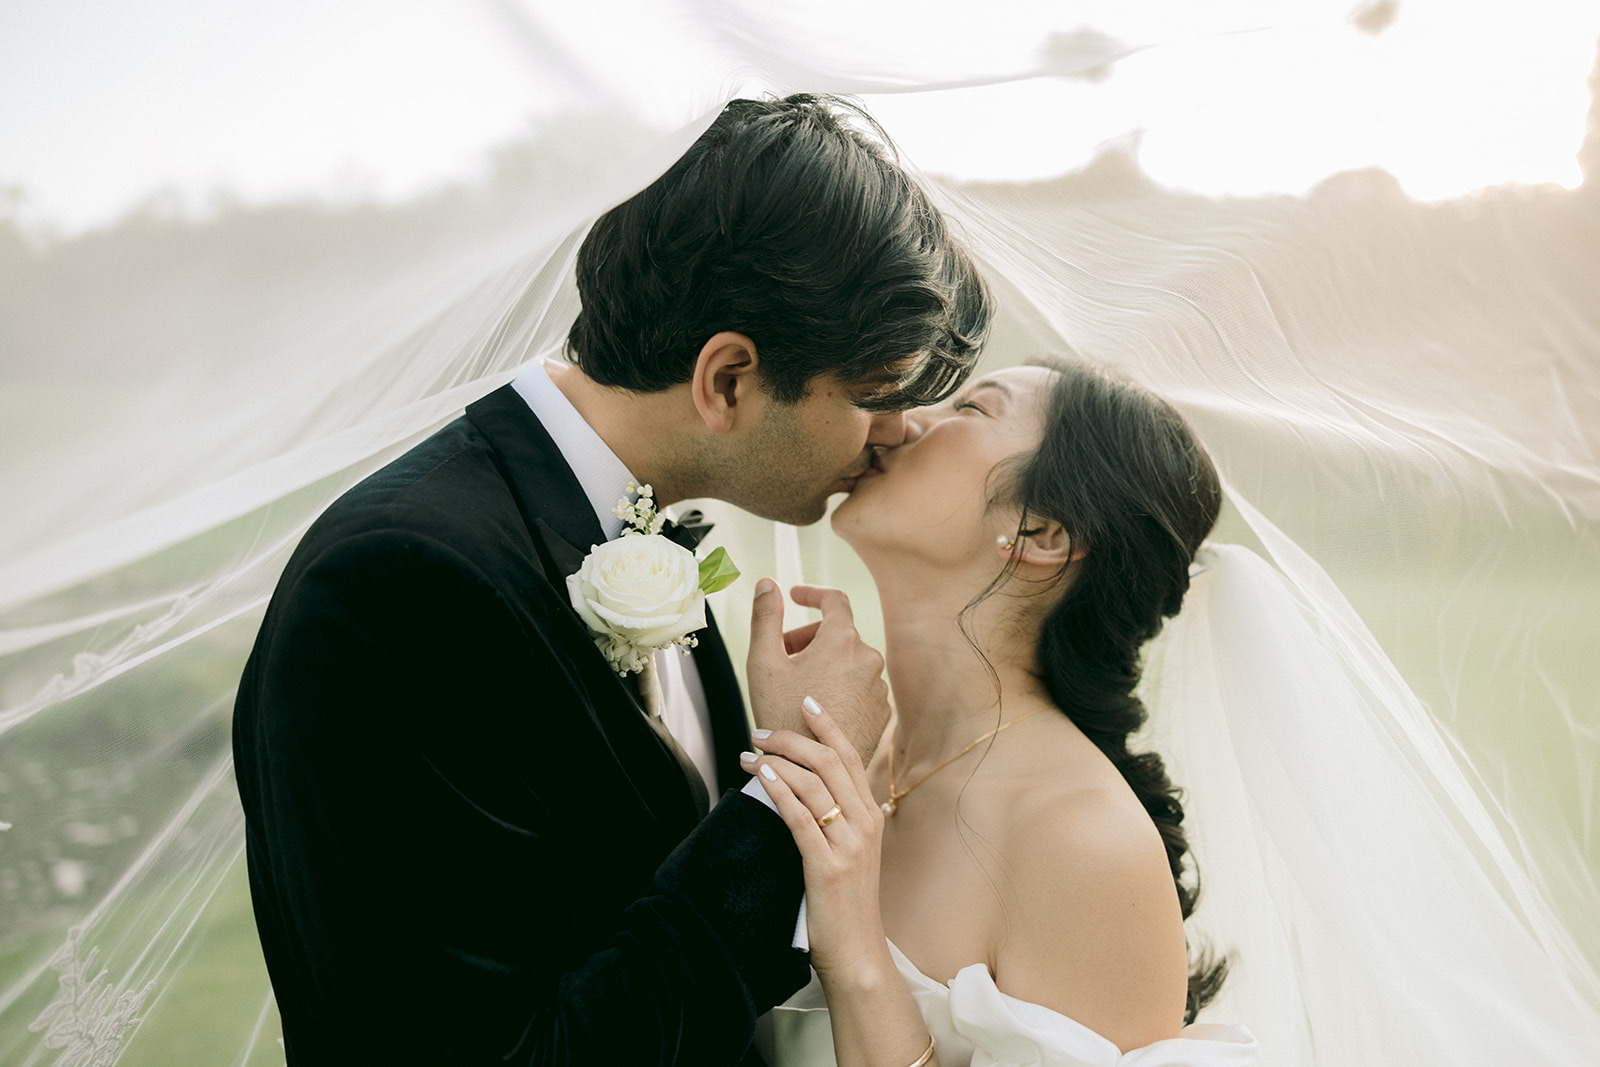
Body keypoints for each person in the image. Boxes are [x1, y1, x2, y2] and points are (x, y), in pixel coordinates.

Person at [231, 93, 991, 1065]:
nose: (896, 433)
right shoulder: (397, 588)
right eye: (872, 397)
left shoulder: (640, 521)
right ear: (726, 381)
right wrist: (787, 794)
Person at [745, 359, 1263, 1065]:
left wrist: (857, 951)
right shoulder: (850, 752)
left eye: (970, 409)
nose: (899, 423)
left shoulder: (1085, 842)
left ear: (1041, 532)